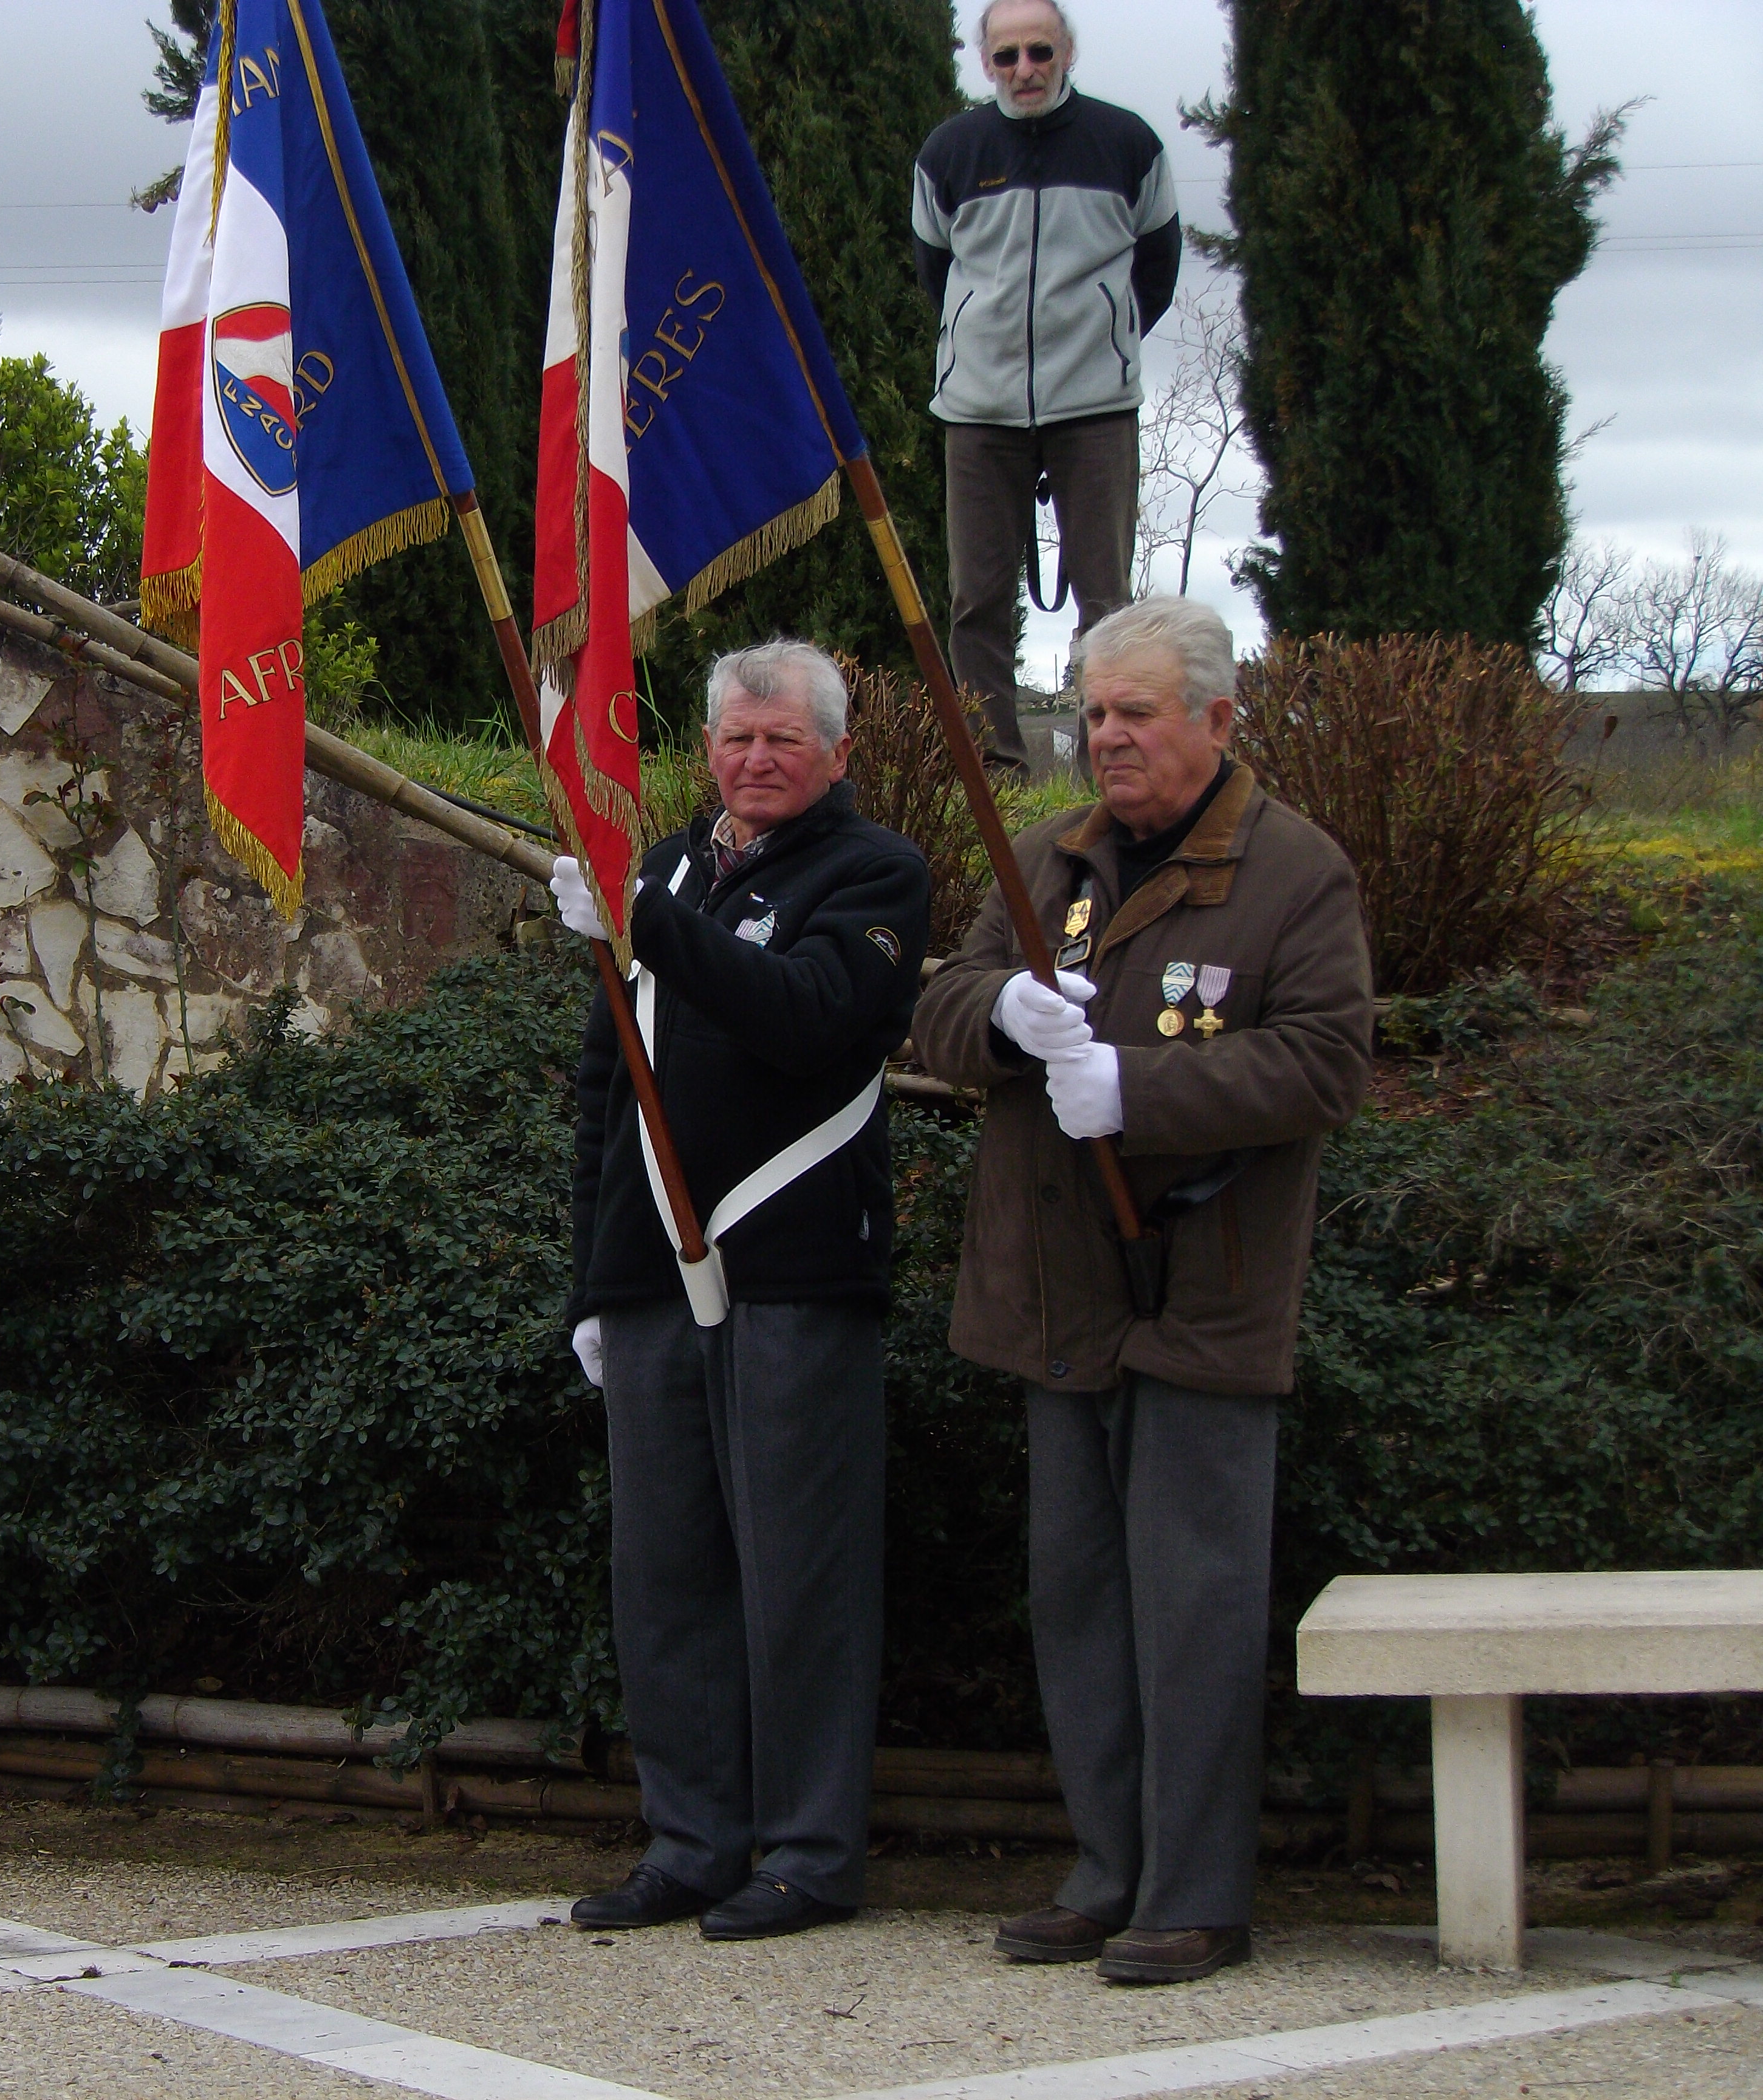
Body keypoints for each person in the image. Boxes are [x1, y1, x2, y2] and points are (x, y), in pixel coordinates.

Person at [915, 597, 1372, 1984]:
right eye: (1089, 710)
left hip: (1202, 1284)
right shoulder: (1044, 855)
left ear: (1217, 720)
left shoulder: (1294, 871)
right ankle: (1106, 1866)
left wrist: (1138, 1086)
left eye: (1134, 712)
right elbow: (938, 1011)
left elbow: (1322, 1064)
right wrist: (995, 1014)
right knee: (1080, 1595)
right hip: (1059, 1284)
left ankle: (1195, 1889)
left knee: (1192, 1600)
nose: (1103, 736)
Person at [548, 641, 930, 1942]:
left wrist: (649, 928)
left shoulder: (874, 873)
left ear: (834, 752)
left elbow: (816, 1014)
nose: (756, 762)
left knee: (799, 1577)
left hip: (795, 1269)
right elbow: (608, 1080)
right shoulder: (657, 866)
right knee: (665, 1576)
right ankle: (692, 1840)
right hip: (655, 1272)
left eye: (782, 741)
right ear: (703, 751)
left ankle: (809, 1852)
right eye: (734, 741)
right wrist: (593, 1286)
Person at [912, 1, 1181, 773]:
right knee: (977, 601)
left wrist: (1103, 340)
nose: (1023, 70)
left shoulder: (1127, 143)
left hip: (1094, 406)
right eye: (1006, 56)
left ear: (1067, 53)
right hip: (979, 410)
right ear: (985, 60)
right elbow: (938, 272)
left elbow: (1156, 268)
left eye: (1039, 52)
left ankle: (1115, 762)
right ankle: (995, 766)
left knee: (1108, 601)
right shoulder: (950, 151)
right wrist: (986, 348)